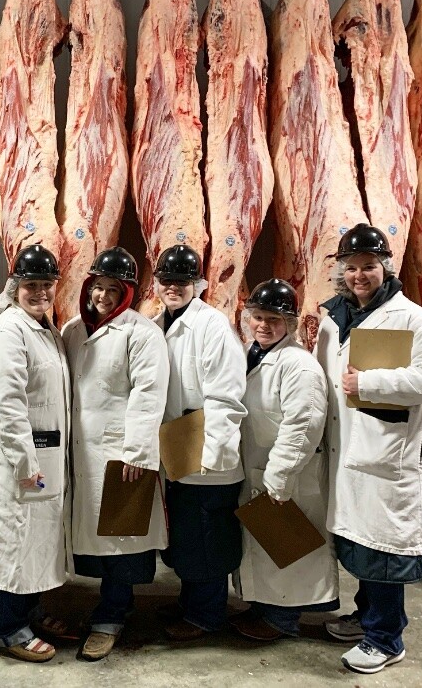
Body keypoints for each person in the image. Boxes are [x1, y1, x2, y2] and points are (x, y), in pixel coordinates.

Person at [315, 224, 422, 674]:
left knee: (384, 552)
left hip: (392, 456)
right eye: (351, 268)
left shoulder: (414, 319)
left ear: (384, 268)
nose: (359, 276)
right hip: (352, 452)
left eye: (368, 267)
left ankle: (385, 639)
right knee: (359, 545)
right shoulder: (335, 317)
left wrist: (372, 383)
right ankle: (365, 618)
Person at [61, 247, 169, 661]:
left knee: (122, 539)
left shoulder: (142, 333)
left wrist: (139, 453)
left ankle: (112, 616)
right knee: (95, 538)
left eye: (113, 289)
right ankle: (103, 606)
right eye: (98, 288)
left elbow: (149, 394)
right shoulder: (73, 329)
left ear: (128, 293)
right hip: (81, 452)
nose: (103, 297)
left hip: (122, 455)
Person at [0, 244, 72, 663]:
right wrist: (25, 463)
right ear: (15, 288)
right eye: (32, 285)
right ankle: (8, 629)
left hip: (40, 456)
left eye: (47, 284)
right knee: (12, 541)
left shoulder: (43, 327)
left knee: (35, 540)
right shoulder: (7, 333)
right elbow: (5, 404)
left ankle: (31, 612)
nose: (41, 292)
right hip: (16, 461)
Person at [231, 279, 339, 641]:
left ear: (290, 324)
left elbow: (303, 426)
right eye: (257, 317)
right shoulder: (251, 353)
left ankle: (282, 620)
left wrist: (279, 478)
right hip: (258, 467)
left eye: (273, 319)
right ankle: (266, 609)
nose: (263, 325)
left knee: (287, 553)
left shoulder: (299, 365)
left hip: (284, 476)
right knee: (266, 548)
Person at [152, 244, 247, 641]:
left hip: (206, 452)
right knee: (189, 537)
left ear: (198, 285)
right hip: (175, 449)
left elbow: (226, 397)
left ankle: (206, 616)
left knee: (207, 538)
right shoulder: (157, 322)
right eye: (167, 281)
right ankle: (194, 605)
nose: (174, 287)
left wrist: (212, 455)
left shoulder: (213, 327)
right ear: (156, 284)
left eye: (182, 281)